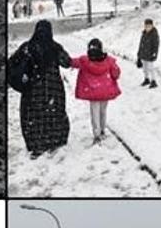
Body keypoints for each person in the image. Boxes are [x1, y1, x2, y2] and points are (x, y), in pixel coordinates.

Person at [8, 20, 72, 157]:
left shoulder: (27, 47)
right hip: (52, 88)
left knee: (33, 116)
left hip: (32, 89)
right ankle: (54, 140)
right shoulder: (55, 48)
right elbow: (67, 62)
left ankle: (36, 143)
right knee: (53, 114)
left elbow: (11, 63)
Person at [69, 38, 122, 142]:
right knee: (103, 111)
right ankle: (102, 130)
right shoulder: (109, 61)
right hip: (105, 92)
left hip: (92, 92)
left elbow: (71, 62)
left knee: (95, 113)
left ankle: (96, 133)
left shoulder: (84, 61)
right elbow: (116, 74)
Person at [136, 18, 160, 88]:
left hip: (150, 55)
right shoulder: (144, 34)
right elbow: (141, 45)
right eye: (146, 26)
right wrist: (139, 56)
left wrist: (154, 54)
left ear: (152, 26)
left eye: (149, 26)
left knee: (151, 68)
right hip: (144, 54)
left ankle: (154, 81)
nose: (147, 28)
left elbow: (156, 45)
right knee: (144, 68)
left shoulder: (154, 34)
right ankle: (146, 79)